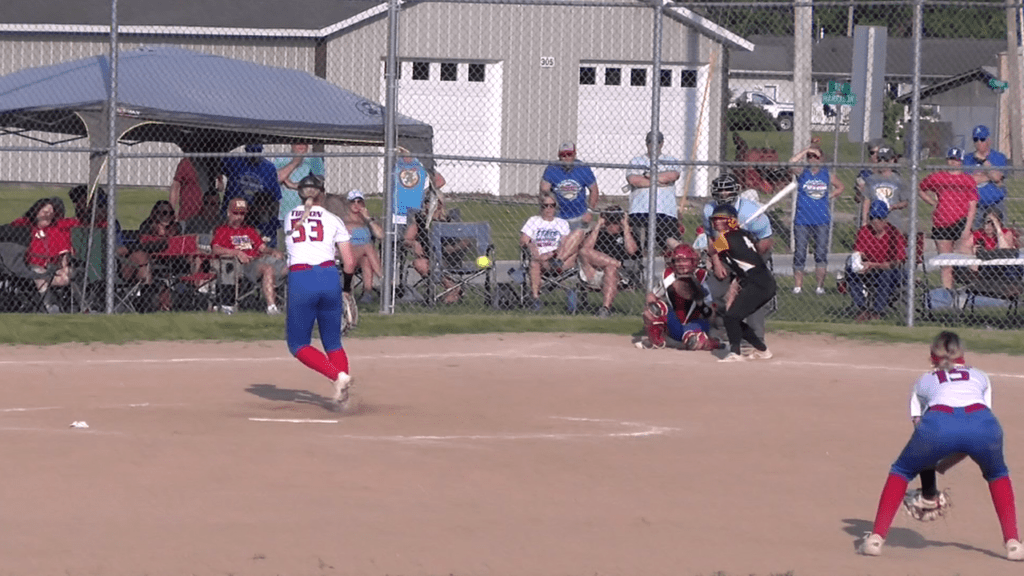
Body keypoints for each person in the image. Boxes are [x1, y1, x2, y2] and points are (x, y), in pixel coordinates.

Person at [859, 331, 1023, 561]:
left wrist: (932, 480)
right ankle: (1014, 543)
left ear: (931, 357)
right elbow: (973, 429)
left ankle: (875, 539)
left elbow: (922, 433)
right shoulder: (981, 376)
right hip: (984, 425)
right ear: (962, 354)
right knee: (997, 475)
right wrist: (946, 464)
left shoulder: (923, 380)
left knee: (901, 471)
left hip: (938, 425)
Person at [283, 174, 358, 409]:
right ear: (321, 194)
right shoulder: (334, 219)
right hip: (328, 277)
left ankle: (338, 377)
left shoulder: (289, 217)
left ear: (300, 194)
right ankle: (343, 397)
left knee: (298, 344)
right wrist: (346, 289)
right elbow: (349, 263)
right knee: (333, 342)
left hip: (301, 279)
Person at [699, 173, 775, 344]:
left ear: (736, 191)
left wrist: (744, 267)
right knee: (714, 289)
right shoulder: (709, 209)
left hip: (754, 252)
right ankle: (721, 330)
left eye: (727, 190)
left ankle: (755, 337)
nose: (723, 194)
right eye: (720, 191)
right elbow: (712, 238)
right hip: (725, 252)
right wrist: (716, 263)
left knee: (753, 291)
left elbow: (765, 241)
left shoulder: (751, 212)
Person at [707, 204, 776, 362]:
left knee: (731, 317)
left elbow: (711, 250)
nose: (717, 222)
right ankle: (762, 350)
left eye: (721, 219)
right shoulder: (742, 235)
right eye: (715, 220)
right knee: (733, 317)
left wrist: (718, 241)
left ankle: (735, 353)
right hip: (758, 281)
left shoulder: (728, 238)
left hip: (759, 283)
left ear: (731, 221)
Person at [211, 197, 288, 315]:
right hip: (242, 265)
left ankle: (298, 304)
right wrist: (237, 253)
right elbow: (216, 249)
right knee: (268, 269)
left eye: (242, 214)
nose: (239, 217)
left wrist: (272, 251)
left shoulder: (249, 230)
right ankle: (272, 308)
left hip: (260, 260)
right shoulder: (223, 230)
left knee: (290, 267)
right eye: (236, 213)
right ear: (228, 213)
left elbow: (263, 248)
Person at [918, 147, 978, 291]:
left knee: (968, 258)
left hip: (960, 221)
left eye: (956, 160)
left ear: (961, 161)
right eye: (951, 159)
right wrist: (933, 202)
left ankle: (971, 289)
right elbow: (920, 188)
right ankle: (947, 292)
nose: (953, 162)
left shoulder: (967, 180)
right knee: (946, 263)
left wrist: (967, 228)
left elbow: (972, 205)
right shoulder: (938, 177)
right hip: (942, 223)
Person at [789, 140, 844, 295]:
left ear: (821, 158)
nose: (812, 159)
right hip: (802, 219)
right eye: (810, 156)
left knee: (820, 253)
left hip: (821, 219)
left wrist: (830, 196)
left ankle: (820, 286)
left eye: (816, 156)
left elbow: (840, 187)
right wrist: (806, 149)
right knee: (800, 253)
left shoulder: (826, 174)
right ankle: (798, 286)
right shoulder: (802, 172)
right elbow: (791, 163)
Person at [640, 244, 720, 351]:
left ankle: (713, 342)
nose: (681, 264)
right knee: (653, 309)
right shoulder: (668, 275)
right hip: (675, 322)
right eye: (678, 261)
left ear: (693, 262)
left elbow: (711, 313)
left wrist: (701, 305)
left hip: (695, 323)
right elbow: (651, 296)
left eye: (685, 261)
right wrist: (651, 312)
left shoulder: (702, 277)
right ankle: (657, 341)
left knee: (693, 342)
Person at [520, 191, 583, 311]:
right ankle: (535, 299)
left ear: (556, 207)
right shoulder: (533, 221)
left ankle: (557, 259)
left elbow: (565, 244)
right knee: (534, 262)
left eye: (552, 205)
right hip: (541, 261)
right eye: (545, 205)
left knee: (579, 234)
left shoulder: (562, 223)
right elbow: (523, 240)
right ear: (541, 207)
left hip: (560, 259)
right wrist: (531, 246)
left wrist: (552, 254)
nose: (549, 209)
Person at [846, 201, 907, 322]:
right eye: (872, 218)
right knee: (851, 271)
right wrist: (859, 263)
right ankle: (862, 308)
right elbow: (858, 252)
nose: (875, 222)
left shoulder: (894, 233)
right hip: (869, 270)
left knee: (886, 275)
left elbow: (897, 262)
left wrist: (875, 265)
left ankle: (877, 311)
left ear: (885, 219)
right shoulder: (865, 231)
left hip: (891, 270)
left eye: (879, 218)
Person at [402, 194, 468, 304]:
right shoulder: (420, 221)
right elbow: (406, 240)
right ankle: (453, 287)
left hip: (450, 258)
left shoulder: (450, 221)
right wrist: (414, 243)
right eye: (427, 201)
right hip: (430, 259)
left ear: (440, 204)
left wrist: (454, 248)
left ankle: (452, 290)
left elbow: (467, 240)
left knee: (435, 265)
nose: (428, 204)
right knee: (419, 264)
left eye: (433, 201)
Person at [12, 198, 72, 313]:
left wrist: (63, 268)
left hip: (51, 268)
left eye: (51, 213)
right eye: (45, 212)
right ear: (36, 212)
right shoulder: (25, 225)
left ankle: (84, 307)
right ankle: (50, 307)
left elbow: (63, 253)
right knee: (39, 274)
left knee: (66, 275)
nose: (48, 215)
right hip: (30, 267)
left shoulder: (54, 230)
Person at [625, 130, 682, 253]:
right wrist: (660, 181)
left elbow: (672, 176)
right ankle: (641, 263)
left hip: (664, 211)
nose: (654, 145)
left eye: (657, 142)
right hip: (640, 211)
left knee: (670, 246)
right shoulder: (636, 161)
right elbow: (634, 180)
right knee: (639, 248)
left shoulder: (670, 160)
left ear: (662, 143)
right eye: (650, 142)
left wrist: (647, 175)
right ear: (646, 144)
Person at [579, 205, 638, 318]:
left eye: (615, 221)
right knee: (583, 251)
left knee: (610, 269)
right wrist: (598, 225)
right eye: (609, 220)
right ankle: (618, 264)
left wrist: (626, 227)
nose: (612, 225)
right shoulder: (597, 233)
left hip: (617, 275)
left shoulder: (627, 234)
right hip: (593, 272)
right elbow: (585, 250)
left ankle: (605, 309)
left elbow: (632, 250)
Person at [221, 143, 282, 244]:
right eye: (251, 152)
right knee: (231, 239)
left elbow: (275, 198)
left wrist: (273, 220)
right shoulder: (235, 162)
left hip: (257, 213)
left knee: (259, 240)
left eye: (257, 152)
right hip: (235, 210)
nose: (254, 155)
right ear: (246, 150)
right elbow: (215, 163)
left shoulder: (269, 168)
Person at [540, 142, 599, 231]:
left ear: (574, 155)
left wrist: (590, 212)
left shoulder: (583, 168)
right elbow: (544, 190)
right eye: (563, 155)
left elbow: (594, 190)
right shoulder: (552, 169)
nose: (566, 158)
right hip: (558, 217)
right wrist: (551, 203)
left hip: (579, 216)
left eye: (569, 154)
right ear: (559, 156)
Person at [341, 189, 384, 303]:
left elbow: (381, 235)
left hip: (364, 255)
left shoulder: (367, 220)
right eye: (353, 202)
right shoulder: (343, 221)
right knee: (367, 247)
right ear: (348, 204)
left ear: (363, 203)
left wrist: (368, 219)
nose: (356, 204)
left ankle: (367, 293)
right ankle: (384, 279)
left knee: (366, 259)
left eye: (359, 201)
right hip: (347, 254)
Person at [963, 124, 1008, 228]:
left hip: (995, 204)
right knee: (975, 234)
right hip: (975, 205)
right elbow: (968, 180)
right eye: (976, 139)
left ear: (988, 140)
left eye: (982, 139)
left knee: (998, 233)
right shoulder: (967, 159)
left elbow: (997, 177)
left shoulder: (998, 157)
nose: (979, 142)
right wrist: (989, 176)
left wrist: (984, 161)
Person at [858, 146, 910, 233]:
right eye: (880, 159)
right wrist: (864, 222)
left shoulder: (898, 180)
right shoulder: (871, 180)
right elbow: (867, 201)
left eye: (886, 160)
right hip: (874, 223)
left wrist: (893, 206)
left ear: (892, 160)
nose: (882, 162)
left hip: (893, 223)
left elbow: (905, 202)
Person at [274, 143, 324, 227]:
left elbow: (317, 185)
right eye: (298, 143)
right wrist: (295, 162)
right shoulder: (281, 159)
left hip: (308, 212)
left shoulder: (314, 159)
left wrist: (293, 185)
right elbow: (277, 178)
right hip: (285, 211)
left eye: (304, 143)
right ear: (291, 145)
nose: (301, 146)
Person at [392, 148, 445, 225]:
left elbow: (440, 181)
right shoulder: (396, 163)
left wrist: (424, 191)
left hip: (415, 212)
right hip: (397, 211)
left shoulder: (421, 164)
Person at [169, 158, 205, 222]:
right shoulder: (185, 163)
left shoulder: (207, 164)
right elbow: (175, 186)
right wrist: (172, 210)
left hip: (204, 213)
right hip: (186, 213)